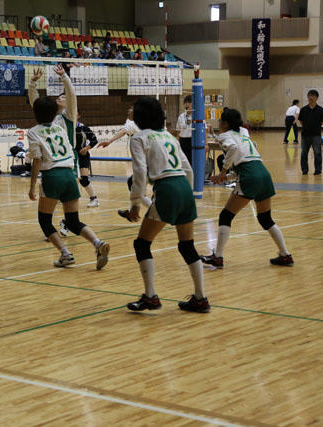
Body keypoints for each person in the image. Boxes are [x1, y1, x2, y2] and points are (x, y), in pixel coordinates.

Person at [124, 97, 209, 313]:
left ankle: (150, 297)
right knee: (187, 245)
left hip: (167, 188)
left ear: (140, 115)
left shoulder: (138, 138)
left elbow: (140, 171)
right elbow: (188, 169)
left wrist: (135, 203)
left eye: (133, 109)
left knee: (142, 244)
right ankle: (200, 298)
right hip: (184, 186)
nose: (130, 111)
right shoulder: (169, 136)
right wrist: (188, 194)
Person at [26, 66, 110, 269]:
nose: (60, 99)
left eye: (62, 98)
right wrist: (33, 84)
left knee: (45, 221)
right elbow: (38, 106)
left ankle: (65, 253)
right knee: (73, 221)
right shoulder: (57, 125)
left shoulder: (67, 118)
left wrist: (64, 77)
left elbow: (66, 98)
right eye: (58, 98)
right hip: (69, 173)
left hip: (53, 174)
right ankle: (98, 243)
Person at [201, 108, 293, 268]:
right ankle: (285, 255)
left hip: (250, 176)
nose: (219, 123)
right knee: (265, 218)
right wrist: (224, 177)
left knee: (226, 216)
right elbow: (243, 162)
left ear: (225, 123)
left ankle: (218, 257)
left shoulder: (225, 136)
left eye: (220, 121)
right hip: (263, 173)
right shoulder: (244, 132)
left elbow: (234, 149)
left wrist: (222, 172)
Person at [97, 106, 153, 220]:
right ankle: (133, 212)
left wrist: (110, 141)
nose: (128, 110)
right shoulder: (142, 122)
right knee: (135, 186)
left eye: (131, 109)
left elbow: (123, 131)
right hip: (152, 161)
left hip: (148, 163)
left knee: (135, 188)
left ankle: (155, 211)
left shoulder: (134, 124)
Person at [298, 89, 323, 175]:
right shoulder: (303, 109)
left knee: (317, 153)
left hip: (316, 135)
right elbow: (301, 121)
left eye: (313, 96)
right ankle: (304, 170)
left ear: (317, 98)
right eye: (309, 96)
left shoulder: (320, 110)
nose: (311, 97)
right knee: (304, 153)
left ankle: (318, 170)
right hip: (305, 135)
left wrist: (315, 126)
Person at [176, 95, 193, 165]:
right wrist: (177, 143)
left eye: (189, 102)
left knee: (192, 161)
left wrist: (206, 144)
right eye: (185, 102)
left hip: (192, 141)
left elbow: (205, 131)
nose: (187, 104)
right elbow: (178, 131)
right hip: (183, 141)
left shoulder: (197, 116)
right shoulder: (181, 116)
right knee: (183, 162)